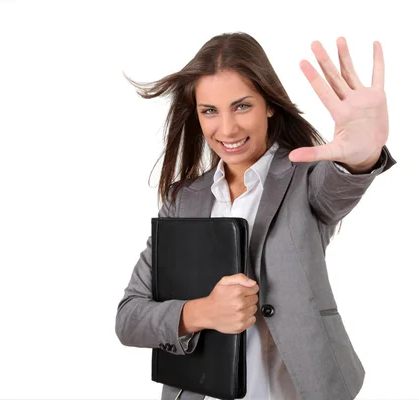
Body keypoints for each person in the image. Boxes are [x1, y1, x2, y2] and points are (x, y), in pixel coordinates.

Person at [115, 32, 396, 400]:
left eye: (242, 106)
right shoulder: (183, 201)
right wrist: (202, 312)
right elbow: (129, 319)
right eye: (210, 111)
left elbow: (340, 185)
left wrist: (362, 157)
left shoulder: (305, 180)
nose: (227, 129)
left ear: (269, 104)